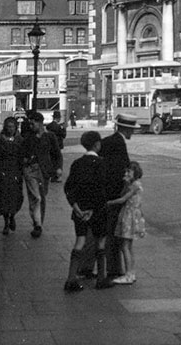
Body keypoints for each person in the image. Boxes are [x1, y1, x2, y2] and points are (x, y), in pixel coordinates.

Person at [63, 130, 113, 292]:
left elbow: (69, 188)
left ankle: (71, 279)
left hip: (80, 210)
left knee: (80, 241)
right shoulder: (102, 164)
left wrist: (76, 207)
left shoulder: (77, 164)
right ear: (97, 145)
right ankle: (101, 278)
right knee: (100, 242)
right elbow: (101, 190)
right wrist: (93, 210)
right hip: (97, 210)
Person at [100, 114, 137, 277]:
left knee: (112, 233)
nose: (133, 133)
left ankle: (113, 268)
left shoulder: (111, 140)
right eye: (131, 130)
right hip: (114, 193)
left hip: (108, 192)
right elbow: (118, 170)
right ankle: (114, 269)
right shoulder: (118, 143)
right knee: (114, 233)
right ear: (125, 128)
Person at [21, 111, 62, 238]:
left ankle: (38, 223)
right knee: (36, 197)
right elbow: (22, 153)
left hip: (44, 172)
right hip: (30, 171)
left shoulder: (50, 137)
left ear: (40, 123)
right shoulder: (28, 137)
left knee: (42, 198)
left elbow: (57, 154)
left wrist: (58, 168)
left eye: (33, 123)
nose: (31, 125)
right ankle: (37, 224)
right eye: (30, 123)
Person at [107, 161, 145, 284]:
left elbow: (123, 198)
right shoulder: (136, 184)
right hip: (134, 216)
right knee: (129, 246)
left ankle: (128, 274)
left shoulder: (134, 185)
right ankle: (131, 272)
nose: (126, 173)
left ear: (134, 172)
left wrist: (109, 202)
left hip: (129, 216)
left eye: (129, 171)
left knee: (124, 246)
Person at [0, 116, 24, 234]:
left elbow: (22, 158)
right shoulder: (0, 143)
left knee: (15, 198)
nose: (10, 129)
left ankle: (12, 216)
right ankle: (6, 222)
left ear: (16, 128)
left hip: (16, 172)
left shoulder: (20, 141)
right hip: (3, 173)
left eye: (12, 127)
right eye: (8, 127)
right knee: (3, 199)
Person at [46, 111, 67, 181]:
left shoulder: (49, 126)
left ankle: (52, 175)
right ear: (58, 118)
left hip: (50, 146)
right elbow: (63, 135)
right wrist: (64, 128)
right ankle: (57, 176)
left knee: (51, 160)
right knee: (58, 161)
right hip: (58, 145)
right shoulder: (59, 127)